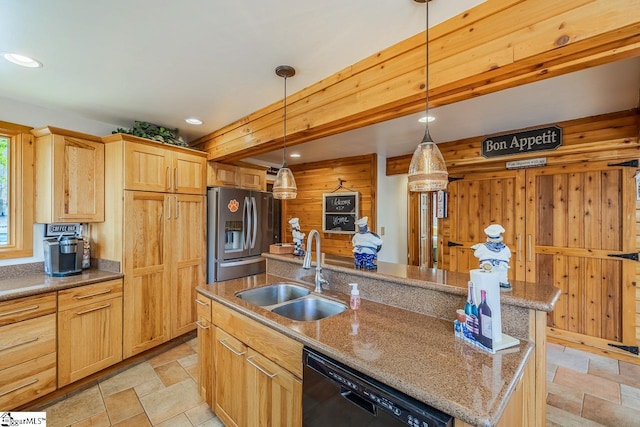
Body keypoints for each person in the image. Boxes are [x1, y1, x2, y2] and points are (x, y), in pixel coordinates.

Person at [471, 224, 511, 289]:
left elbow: (476, 254)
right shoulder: (505, 248)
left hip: (487, 279)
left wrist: (476, 249)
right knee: (501, 275)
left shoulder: (483, 247)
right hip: (501, 273)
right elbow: (509, 255)